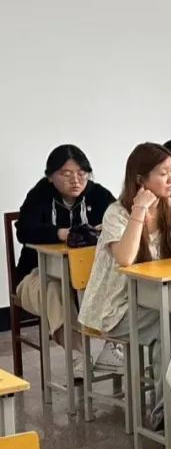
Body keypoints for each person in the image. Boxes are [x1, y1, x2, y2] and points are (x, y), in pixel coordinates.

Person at [77, 143, 171, 380]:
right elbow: (125, 258)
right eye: (163, 173)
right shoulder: (116, 214)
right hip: (116, 309)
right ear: (141, 180)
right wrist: (139, 209)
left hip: (159, 300)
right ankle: (170, 400)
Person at [15, 145, 115, 377]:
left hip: (85, 275)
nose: (75, 180)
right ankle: (77, 355)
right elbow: (24, 230)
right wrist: (61, 233)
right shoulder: (39, 195)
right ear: (50, 177)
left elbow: (119, 219)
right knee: (54, 290)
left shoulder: (98, 194)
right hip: (36, 274)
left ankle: (113, 347)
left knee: (116, 281)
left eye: (81, 173)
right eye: (66, 174)